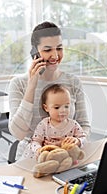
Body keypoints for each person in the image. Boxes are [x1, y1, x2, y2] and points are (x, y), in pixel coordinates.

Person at [8, 21, 90, 159]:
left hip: (66, 157)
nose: (55, 55)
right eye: (47, 50)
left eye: (59, 48)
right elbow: (18, 134)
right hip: (32, 158)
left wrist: (77, 141)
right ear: (35, 52)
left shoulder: (73, 82)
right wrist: (32, 85)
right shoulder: (18, 84)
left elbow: (83, 125)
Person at [21, 84, 87, 159]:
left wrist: (77, 141)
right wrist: (39, 150)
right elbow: (35, 141)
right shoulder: (44, 124)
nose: (63, 110)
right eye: (57, 107)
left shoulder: (73, 125)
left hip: (66, 157)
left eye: (66, 106)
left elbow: (84, 138)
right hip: (47, 157)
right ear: (46, 108)